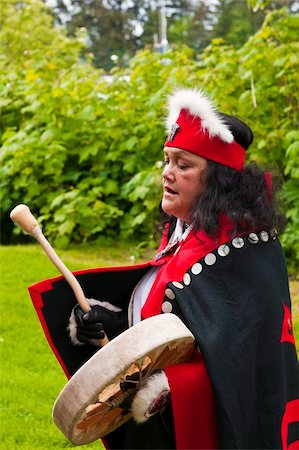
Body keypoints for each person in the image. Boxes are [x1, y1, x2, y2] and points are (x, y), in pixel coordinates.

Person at [29, 89, 299, 449]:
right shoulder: (186, 232)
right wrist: (113, 326)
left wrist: (169, 386)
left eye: (183, 165)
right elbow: (175, 324)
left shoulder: (245, 253)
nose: (167, 174)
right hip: (163, 428)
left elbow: (244, 364)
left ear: (219, 182)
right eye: (167, 160)